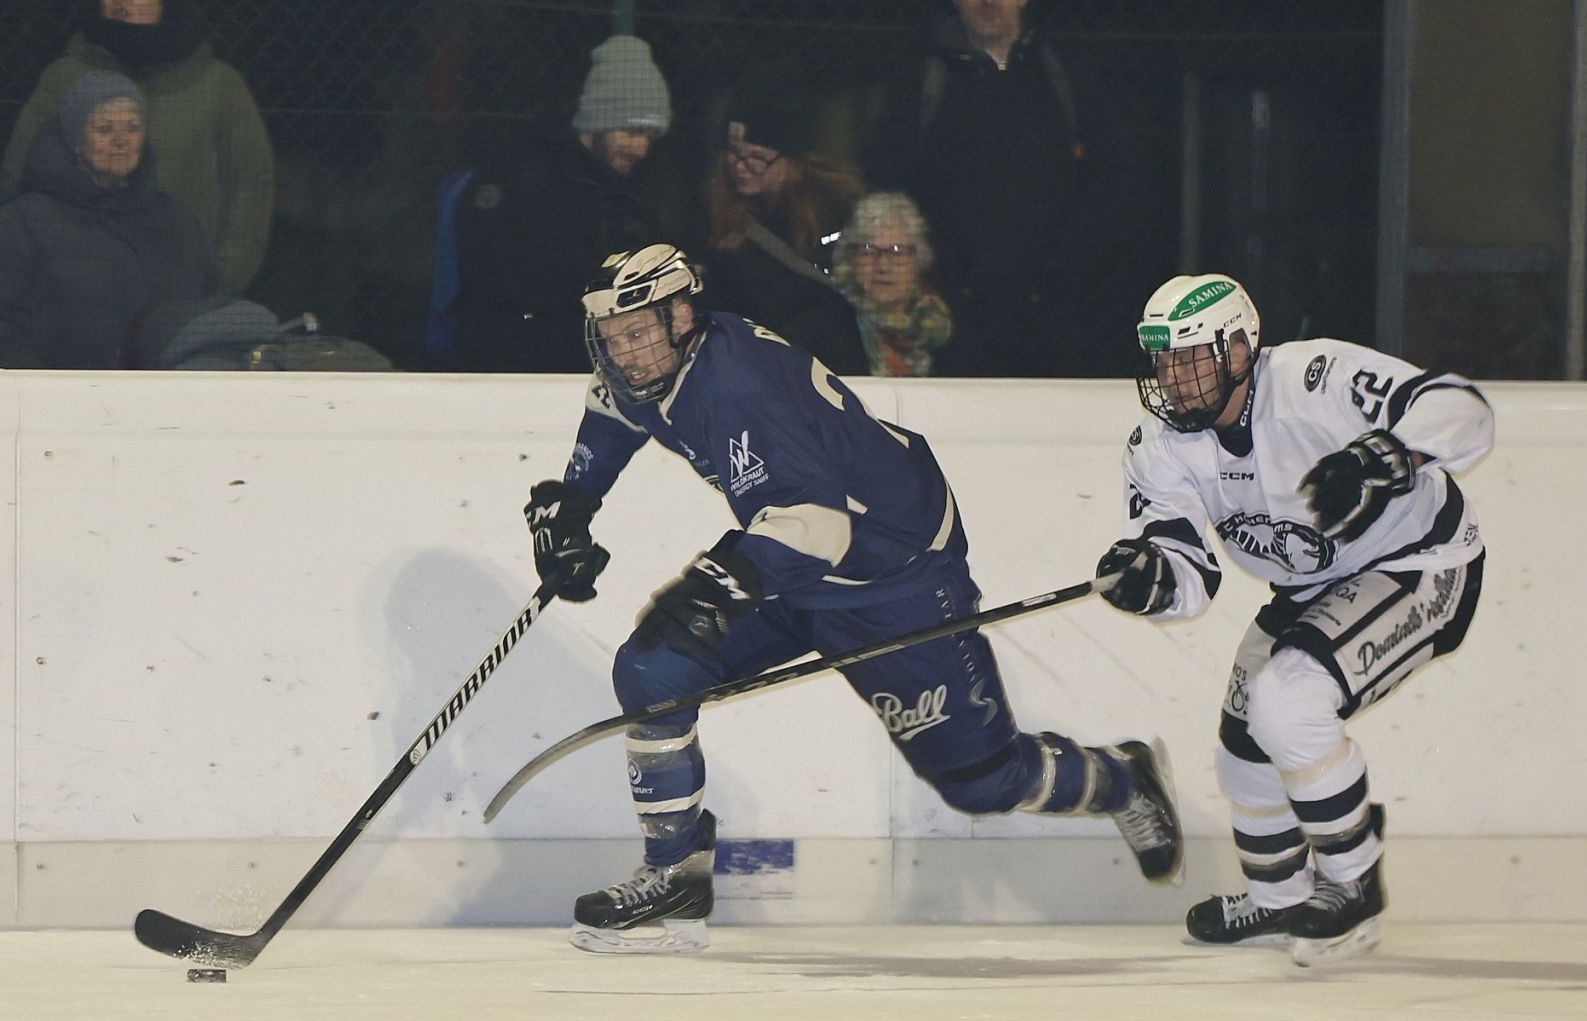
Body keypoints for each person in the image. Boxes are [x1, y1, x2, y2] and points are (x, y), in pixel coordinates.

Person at [525, 244, 1183, 954]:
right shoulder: (663, 364)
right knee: (655, 669)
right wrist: (573, 500)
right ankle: (676, 871)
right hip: (795, 561)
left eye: (638, 333)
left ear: (683, 314)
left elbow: (821, 527)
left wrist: (715, 584)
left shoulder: (740, 386)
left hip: (893, 574)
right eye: (613, 339)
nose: (625, 355)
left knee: (981, 782)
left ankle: (1122, 779)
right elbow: (613, 410)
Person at [1096, 274, 1492, 967]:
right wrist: (1151, 579)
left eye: (1192, 359)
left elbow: (1462, 409)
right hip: (1311, 586)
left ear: (1243, 350)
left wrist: (1394, 455)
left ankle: (1353, 881)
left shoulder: (1315, 378)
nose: (1176, 381)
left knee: (1290, 702)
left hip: (1422, 562)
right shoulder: (1158, 447)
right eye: (1165, 362)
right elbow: (1189, 577)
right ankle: (1280, 896)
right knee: (1244, 747)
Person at [859, 0, 1084, 378]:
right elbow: (886, 179)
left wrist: (1063, 275)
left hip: (1048, 314)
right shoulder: (920, 76)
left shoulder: (1062, 73)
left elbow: (1093, 187)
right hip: (945, 314)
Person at [0, 0, 274, 293]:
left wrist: (222, 276)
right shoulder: (65, 79)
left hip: (183, 293)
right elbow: (19, 176)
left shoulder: (218, 86)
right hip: (77, 294)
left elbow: (249, 186)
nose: (120, 2)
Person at [444, 34, 672, 372]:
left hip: (602, 354)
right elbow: (494, 279)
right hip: (515, 357)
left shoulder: (635, 187)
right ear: (598, 120)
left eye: (650, 137)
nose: (641, 149)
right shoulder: (520, 174)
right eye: (631, 132)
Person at [0, 71, 221, 369]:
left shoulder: (176, 218)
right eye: (104, 129)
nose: (121, 141)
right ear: (76, 140)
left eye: (133, 128)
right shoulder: (25, 220)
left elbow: (211, 309)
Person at [696, 83, 871, 376]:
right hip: (752, 359)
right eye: (734, 154)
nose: (740, 166)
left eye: (756, 156)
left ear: (789, 159)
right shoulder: (717, 207)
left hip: (825, 359)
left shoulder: (835, 208)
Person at [833, 192, 953, 377]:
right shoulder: (828, 329)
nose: (883, 266)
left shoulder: (948, 334)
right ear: (852, 260)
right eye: (868, 251)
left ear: (918, 260)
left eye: (897, 252)